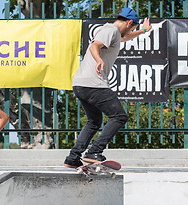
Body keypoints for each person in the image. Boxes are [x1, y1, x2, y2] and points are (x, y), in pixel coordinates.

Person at [64, 8, 152, 168]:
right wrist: (99, 60)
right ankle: (94, 152)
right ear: (129, 22)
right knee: (119, 116)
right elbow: (94, 46)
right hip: (93, 83)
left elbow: (127, 36)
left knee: (94, 121)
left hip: (81, 84)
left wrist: (143, 31)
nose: (132, 31)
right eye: (133, 27)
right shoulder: (111, 30)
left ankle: (72, 158)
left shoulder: (116, 33)